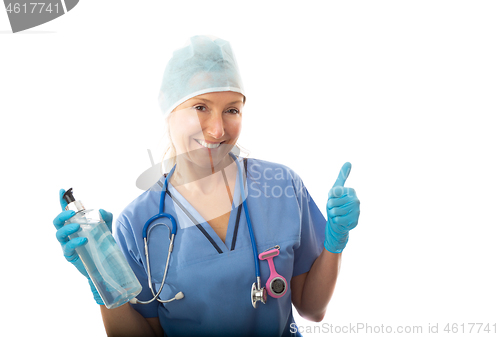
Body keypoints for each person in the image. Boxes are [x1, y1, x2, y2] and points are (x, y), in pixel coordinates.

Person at [52, 35, 361, 337]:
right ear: (169, 109)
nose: (217, 130)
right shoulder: (138, 223)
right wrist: (106, 282)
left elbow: (312, 308)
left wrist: (334, 242)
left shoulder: (282, 186)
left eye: (232, 110)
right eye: (200, 107)